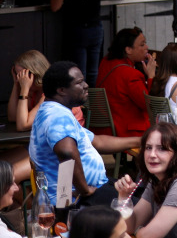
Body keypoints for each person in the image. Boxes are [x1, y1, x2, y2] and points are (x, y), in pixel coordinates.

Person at [30, 61, 139, 203]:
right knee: (144, 208)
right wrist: (84, 190)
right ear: (61, 90)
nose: (86, 85)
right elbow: (66, 152)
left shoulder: (55, 111)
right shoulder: (58, 116)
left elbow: (98, 142)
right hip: (78, 200)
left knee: (139, 194)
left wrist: (141, 140)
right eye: (79, 82)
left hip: (91, 189)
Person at [97, 27, 155, 137]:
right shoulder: (131, 74)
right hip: (126, 131)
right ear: (128, 50)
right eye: (142, 45)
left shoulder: (105, 63)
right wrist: (151, 76)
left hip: (103, 130)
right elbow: (149, 105)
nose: (147, 48)